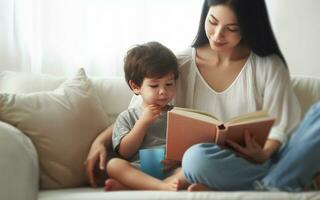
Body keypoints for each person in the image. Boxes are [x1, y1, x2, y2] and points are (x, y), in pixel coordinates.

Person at [85, 0, 320, 192]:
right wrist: (99, 141)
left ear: (249, 26)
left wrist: (264, 153)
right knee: (196, 157)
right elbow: (141, 111)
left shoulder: (268, 66)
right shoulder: (179, 65)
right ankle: (281, 180)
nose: (217, 35)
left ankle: (271, 180)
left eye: (232, 28)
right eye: (213, 22)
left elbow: (284, 125)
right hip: (206, 162)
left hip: (256, 161)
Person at [103, 41, 189, 191]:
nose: (163, 91)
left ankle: (133, 186)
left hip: (170, 169)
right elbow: (125, 152)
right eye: (154, 86)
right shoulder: (127, 116)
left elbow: (187, 147)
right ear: (136, 87)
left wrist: (177, 159)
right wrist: (142, 123)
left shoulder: (179, 115)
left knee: (193, 167)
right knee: (113, 165)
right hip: (139, 169)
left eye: (169, 84)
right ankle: (159, 186)